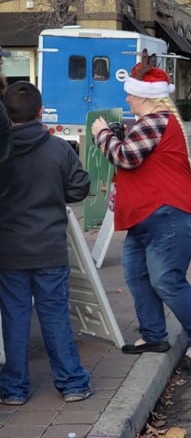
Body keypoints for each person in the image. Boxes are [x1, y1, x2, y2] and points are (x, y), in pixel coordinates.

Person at [90, 64, 191, 371]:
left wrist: (102, 135)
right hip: (152, 215)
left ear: (144, 96)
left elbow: (126, 157)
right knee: (137, 275)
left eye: (130, 96)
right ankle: (154, 334)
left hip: (170, 213)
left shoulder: (156, 120)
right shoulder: (153, 120)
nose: (127, 101)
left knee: (166, 280)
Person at [0, 82, 93, 405]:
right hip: (50, 247)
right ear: (41, 112)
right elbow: (80, 188)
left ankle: (13, 388)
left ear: (6, 115)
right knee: (54, 315)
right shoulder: (58, 149)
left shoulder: (2, 152)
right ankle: (71, 382)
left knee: (14, 317)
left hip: (9, 249)